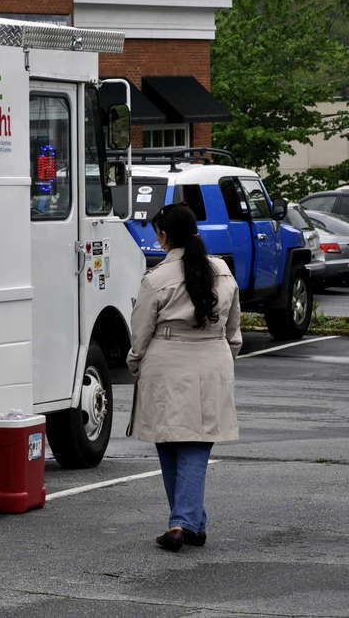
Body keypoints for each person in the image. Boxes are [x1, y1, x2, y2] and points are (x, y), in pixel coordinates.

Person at [127, 203, 240, 552]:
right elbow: (233, 330)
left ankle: (181, 522)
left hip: (166, 360)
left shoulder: (156, 278)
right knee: (197, 441)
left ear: (163, 236)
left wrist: (136, 362)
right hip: (212, 360)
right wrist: (224, 355)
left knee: (171, 439)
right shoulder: (222, 271)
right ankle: (191, 521)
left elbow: (140, 332)